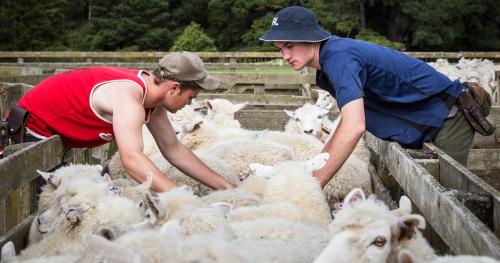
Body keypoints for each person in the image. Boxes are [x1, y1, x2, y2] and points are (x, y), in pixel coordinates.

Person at [260, 6, 492, 187]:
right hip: (425, 121)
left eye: (289, 45)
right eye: (280, 49)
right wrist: (313, 172)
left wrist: (316, 183)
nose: (285, 56)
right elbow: (344, 125)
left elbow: (355, 126)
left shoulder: (339, 58)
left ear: (309, 37)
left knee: (449, 202)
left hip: (448, 118)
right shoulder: (328, 65)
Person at [5, 51, 236, 192]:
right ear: (174, 87)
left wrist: (225, 186)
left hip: (53, 132)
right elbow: (132, 160)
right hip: (31, 130)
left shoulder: (151, 101)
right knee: (44, 206)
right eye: (191, 97)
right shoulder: (129, 99)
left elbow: (173, 149)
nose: (189, 104)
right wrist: (180, 199)